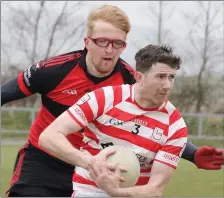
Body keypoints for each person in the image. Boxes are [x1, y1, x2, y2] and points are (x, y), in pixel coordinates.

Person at [1, 4, 223, 197]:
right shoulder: (53, 71)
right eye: (102, 41)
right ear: (87, 42)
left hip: (102, 170)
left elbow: (154, 124)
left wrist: (192, 153)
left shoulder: (130, 81)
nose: (109, 49)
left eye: (118, 43)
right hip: (45, 160)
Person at [39, 44, 188, 197]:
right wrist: (90, 163)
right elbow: (49, 137)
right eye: (160, 77)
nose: (167, 85)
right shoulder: (105, 98)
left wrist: (115, 192)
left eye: (171, 77)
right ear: (139, 77)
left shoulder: (175, 125)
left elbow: (155, 189)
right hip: (89, 192)